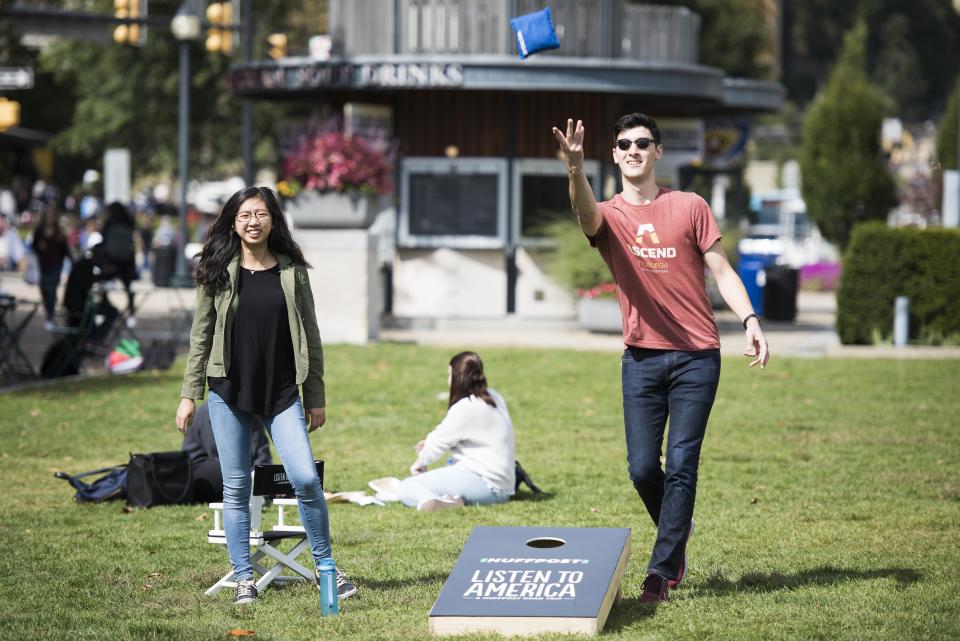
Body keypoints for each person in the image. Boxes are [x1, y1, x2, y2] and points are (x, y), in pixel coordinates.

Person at [552, 114, 770, 603]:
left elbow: (723, 271)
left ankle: (662, 570)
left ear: (658, 151)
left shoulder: (690, 206)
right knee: (642, 469)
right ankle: (678, 526)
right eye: (624, 143)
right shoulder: (609, 215)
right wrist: (574, 168)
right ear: (614, 154)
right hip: (642, 359)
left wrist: (751, 321)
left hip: (697, 357)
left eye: (642, 142)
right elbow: (585, 214)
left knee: (682, 463)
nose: (633, 149)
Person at [175, 186, 356, 606]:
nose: (253, 221)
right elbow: (200, 337)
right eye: (244, 215)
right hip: (228, 390)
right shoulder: (216, 270)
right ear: (233, 223)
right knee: (236, 487)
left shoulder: (292, 271)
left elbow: (310, 333)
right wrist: (189, 394)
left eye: (260, 213)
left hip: (281, 391)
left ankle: (327, 569)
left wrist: (315, 394)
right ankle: (243, 578)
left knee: (306, 478)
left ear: (273, 219)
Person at [370, 351, 516, 512]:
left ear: (457, 377)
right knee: (436, 478)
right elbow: (464, 436)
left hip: (486, 484)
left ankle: (439, 503)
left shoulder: (466, 407)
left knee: (408, 486)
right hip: (504, 486)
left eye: (449, 374)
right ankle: (447, 500)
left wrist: (421, 461)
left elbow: (436, 445)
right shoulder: (494, 397)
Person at [182, 401, 273, 503]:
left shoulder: (254, 413)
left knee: (267, 474)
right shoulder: (210, 410)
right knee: (230, 470)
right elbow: (217, 454)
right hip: (202, 467)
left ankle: (254, 489)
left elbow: (262, 453)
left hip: (241, 470)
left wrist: (262, 479)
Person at [31, 204, 71, 330]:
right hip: (43, 265)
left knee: (52, 289)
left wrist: (72, 262)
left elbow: (65, 250)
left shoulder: (59, 232)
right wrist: (39, 247)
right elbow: (33, 246)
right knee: (44, 289)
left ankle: (50, 316)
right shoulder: (39, 231)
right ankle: (50, 310)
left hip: (56, 264)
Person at [100, 202, 137, 316]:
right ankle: (130, 306)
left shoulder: (109, 224)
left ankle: (105, 304)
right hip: (126, 260)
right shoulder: (128, 223)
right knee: (127, 286)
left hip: (113, 260)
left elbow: (104, 241)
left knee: (103, 282)